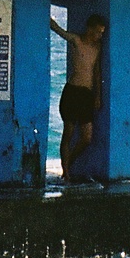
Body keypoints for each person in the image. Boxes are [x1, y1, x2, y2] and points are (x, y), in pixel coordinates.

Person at [50, 11, 107, 182]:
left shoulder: (97, 47)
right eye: (98, 31)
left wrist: (97, 95)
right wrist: (50, 21)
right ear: (90, 29)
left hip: (86, 95)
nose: (99, 35)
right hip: (72, 92)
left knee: (87, 137)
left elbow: (96, 72)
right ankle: (66, 171)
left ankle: (68, 163)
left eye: (102, 32)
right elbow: (61, 32)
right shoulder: (78, 41)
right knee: (68, 132)